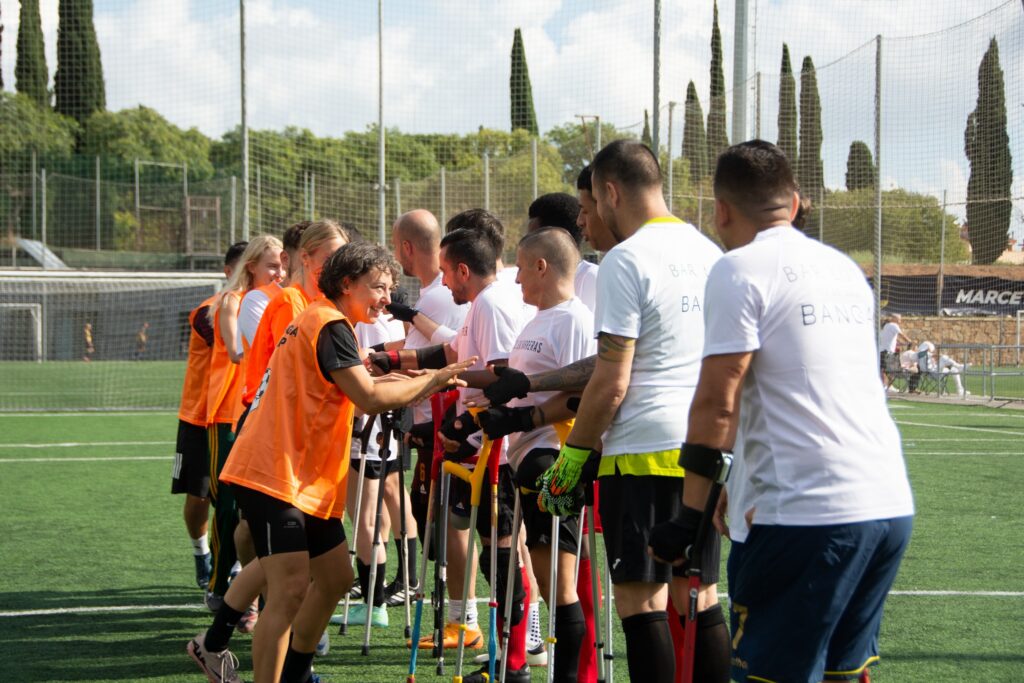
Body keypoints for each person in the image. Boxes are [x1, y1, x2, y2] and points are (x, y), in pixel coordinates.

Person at [662, 140, 913, 683]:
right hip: (888, 503)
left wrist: (689, 515)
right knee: (845, 674)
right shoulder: (844, 269)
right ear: (795, 203)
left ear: (720, 210)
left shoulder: (737, 269)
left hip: (806, 515)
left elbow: (716, 400)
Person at [187, 241, 475, 683]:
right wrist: (431, 383)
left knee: (337, 577)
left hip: (300, 479)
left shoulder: (329, 321)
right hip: (274, 473)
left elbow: (362, 382)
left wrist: (417, 376)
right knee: (287, 591)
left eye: (390, 287)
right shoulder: (326, 321)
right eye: (378, 287)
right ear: (346, 283)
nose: (386, 297)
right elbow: (370, 397)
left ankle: (289, 671)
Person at [534, 140, 728, 682]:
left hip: (640, 452)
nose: (588, 218)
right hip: (701, 450)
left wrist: (571, 460)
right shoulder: (709, 252)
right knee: (701, 597)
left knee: (642, 606)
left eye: (592, 203)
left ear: (611, 192)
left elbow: (611, 379)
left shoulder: (626, 259)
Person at [473, 227, 596, 682]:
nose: (517, 279)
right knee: (547, 585)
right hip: (521, 456)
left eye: (521, 268)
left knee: (562, 588)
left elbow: (583, 394)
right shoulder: (536, 320)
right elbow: (519, 384)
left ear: (542, 266)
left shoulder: (574, 320)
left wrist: (523, 422)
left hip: (553, 456)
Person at [204, 235, 285, 610]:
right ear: (251, 266)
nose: (279, 272)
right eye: (271, 265)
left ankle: (255, 593)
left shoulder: (280, 300)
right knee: (226, 507)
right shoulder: (235, 302)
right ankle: (221, 584)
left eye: (282, 265)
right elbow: (237, 351)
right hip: (229, 411)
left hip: (260, 413)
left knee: (254, 513)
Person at [172, 242, 246, 592]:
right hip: (198, 418)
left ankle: (227, 564)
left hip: (236, 417)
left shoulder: (262, 305)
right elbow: (233, 343)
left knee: (232, 499)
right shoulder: (209, 311)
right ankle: (201, 552)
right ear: (229, 272)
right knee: (198, 496)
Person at [526, 192, 599, 313]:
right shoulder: (528, 285)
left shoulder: (593, 280)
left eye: (533, 238)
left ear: (557, 239)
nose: (527, 245)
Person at [878, 313, 911, 384]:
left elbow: (890, 338)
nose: (900, 321)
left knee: (883, 370)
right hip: (888, 352)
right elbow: (901, 335)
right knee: (892, 371)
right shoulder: (894, 325)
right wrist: (909, 341)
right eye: (899, 319)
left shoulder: (886, 326)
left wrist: (900, 343)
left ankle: (885, 386)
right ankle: (887, 386)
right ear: (894, 319)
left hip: (881, 351)